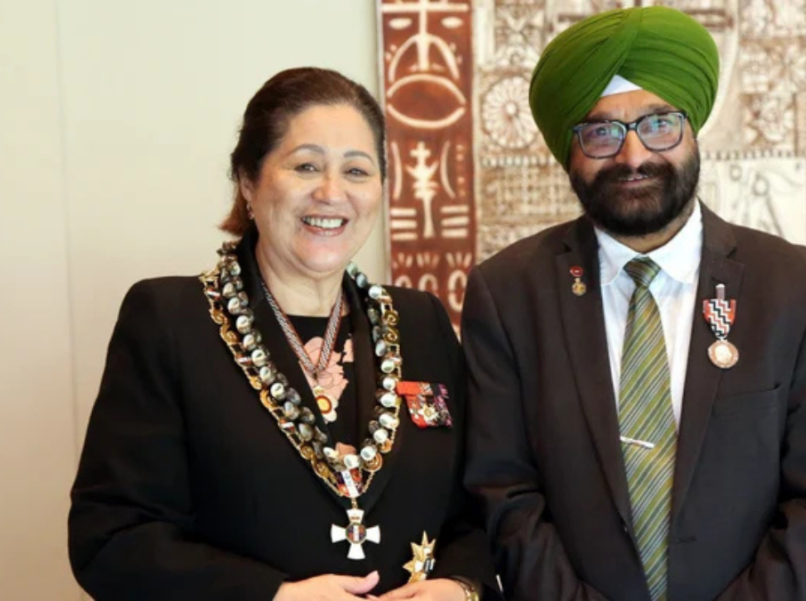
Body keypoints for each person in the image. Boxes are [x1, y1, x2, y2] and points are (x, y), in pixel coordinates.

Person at [461, 6, 806, 600]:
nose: (633, 156)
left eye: (659, 124)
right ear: (568, 151)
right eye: (601, 132)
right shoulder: (508, 294)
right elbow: (503, 492)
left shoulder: (800, 288)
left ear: (694, 130)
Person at [69, 67, 497, 601]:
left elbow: (478, 508)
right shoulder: (169, 319)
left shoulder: (421, 321)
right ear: (248, 181)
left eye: (357, 171)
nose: (332, 192)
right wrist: (274, 596)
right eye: (306, 166)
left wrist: (461, 587)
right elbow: (110, 540)